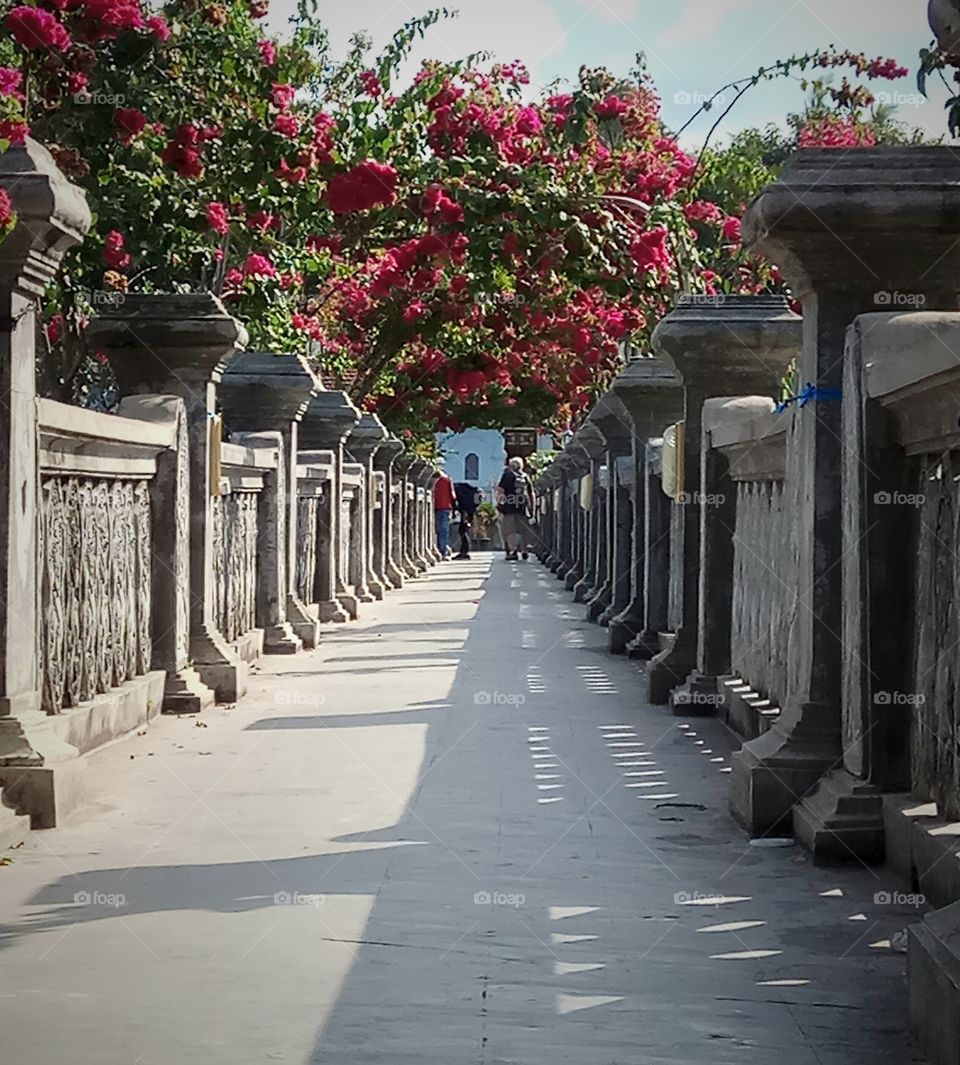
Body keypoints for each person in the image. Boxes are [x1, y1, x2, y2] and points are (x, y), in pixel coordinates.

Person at [497, 456, 534, 561]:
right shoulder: (525, 476)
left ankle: (512, 551)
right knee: (523, 530)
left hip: (509, 507)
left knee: (510, 530)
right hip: (523, 507)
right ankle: (524, 550)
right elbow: (531, 493)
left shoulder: (507, 475)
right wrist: (532, 508)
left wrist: (500, 503)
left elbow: (500, 490)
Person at [453, 481, 481, 559]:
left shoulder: (458, 490)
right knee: (464, 530)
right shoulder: (468, 490)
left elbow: (457, 502)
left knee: (463, 530)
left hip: (465, 512)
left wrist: (458, 510)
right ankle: (464, 551)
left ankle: (464, 551)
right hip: (469, 511)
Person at [433, 466, 455, 559]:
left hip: (434, 507)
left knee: (435, 530)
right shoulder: (447, 479)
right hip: (445, 507)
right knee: (444, 530)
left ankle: (436, 549)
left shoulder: (434, 479)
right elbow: (453, 495)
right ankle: (443, 551)